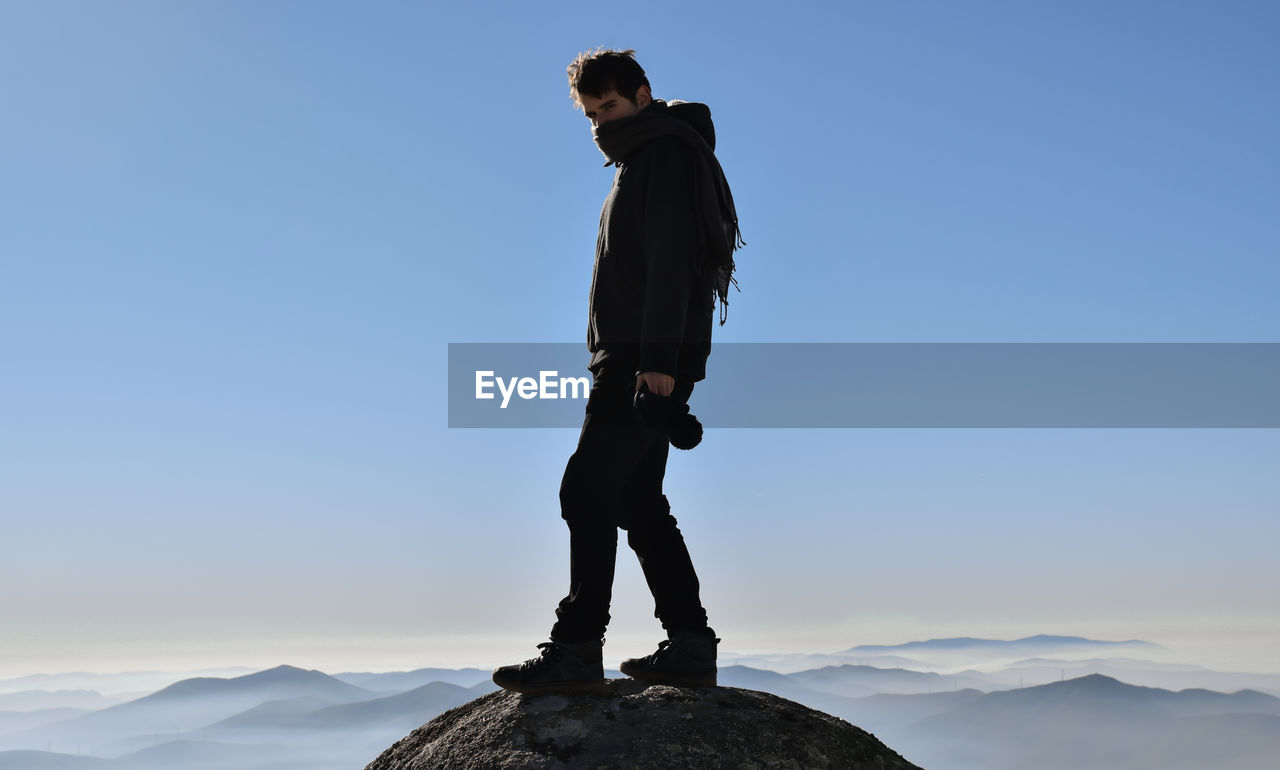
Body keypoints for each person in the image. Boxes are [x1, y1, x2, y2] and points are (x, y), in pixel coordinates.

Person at [492, 48, 743, 695]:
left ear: (641, 93)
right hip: (637, 358)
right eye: (590, 113)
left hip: (638, 360)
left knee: (585, 492)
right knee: (636, 499)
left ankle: (576, 648)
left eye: (608, 106)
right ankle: (690, 644)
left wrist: (657, 366)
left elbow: (668, 262)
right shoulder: (648, 153)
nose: (600, 121)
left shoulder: (661, 152)